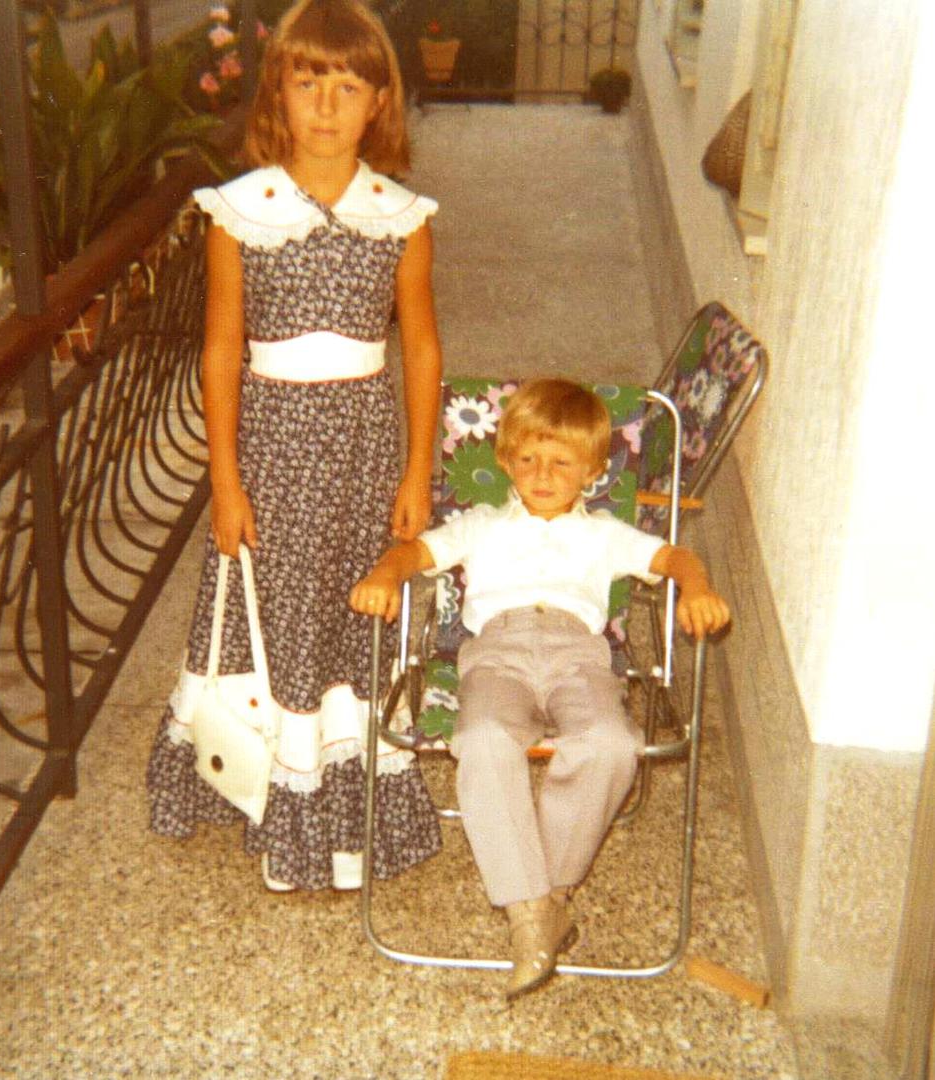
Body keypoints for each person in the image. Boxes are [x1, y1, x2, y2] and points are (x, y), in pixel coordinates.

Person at [146, 0, 443, 894]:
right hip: (273, 450)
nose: (325, 104)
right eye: (308, 81)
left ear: (378, 103)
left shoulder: (402, 216)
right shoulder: (240, 212)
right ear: (277, 91)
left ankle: (343, 797)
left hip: (363, 448)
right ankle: (267, 785)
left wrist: (417, 468)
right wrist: (224, 481)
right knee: (275, 607)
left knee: (348, 607)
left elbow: (422, 347)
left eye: (347, 87)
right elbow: (220, 350)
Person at [349, 378, 730, 998]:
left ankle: (544, 898)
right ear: (506, 461)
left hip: (580, 654)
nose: (543, 475)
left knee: (610, 743)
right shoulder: (480, 525)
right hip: (496, 651)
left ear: (593, 471)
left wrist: (698, 587)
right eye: (527, 459)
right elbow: (412, 553)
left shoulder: (604, 533)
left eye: (561, 463)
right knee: (482, 737)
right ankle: (535, 916)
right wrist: (383, 576)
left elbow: (674, 560)